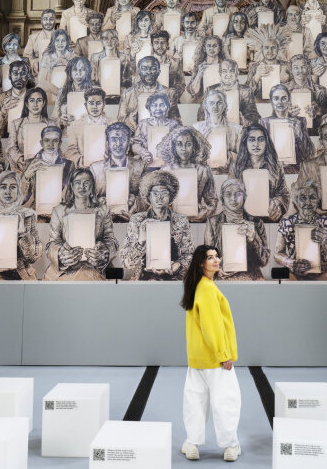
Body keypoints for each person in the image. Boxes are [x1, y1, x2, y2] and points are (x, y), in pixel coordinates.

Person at [180, 245, 241, 462]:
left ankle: (192, 443)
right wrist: (223, 354)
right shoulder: (207, 288)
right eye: (210, 257)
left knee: (195, 401)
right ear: (200, 263)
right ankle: (231, 445)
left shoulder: (197, 286)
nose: (216, 260)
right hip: (215, 359)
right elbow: (212, 326)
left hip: (197, 358)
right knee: (226, 400)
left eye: (216, 256)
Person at [43, 167, 117, 280]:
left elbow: (111, 240)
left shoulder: (103, 210)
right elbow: (52, 244)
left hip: (97, 266)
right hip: (67, 268)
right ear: (72, 186)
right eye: (78, 183)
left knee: (117, 276)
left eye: (86, 183)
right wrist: (61, 255)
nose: (82, 186)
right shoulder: (59, 211)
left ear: (92, 186)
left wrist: (104, 253)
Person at [119, 170, 193, 281]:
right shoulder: (137, 220)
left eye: (164, 193)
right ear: (148, 195)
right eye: (155, 193)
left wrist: (178, 265)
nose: (159, 197)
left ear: (171, 196)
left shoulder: (180, 220)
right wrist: (141, 241)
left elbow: (189, 254)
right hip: (143, 278)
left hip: (174, 278)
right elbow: (126, 261)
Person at [274, 178, 327, 281]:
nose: (308, 202)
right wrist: (290, 263)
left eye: (312, 197)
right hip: (294, 270)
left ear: (318, 200)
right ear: (296, 201)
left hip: (321, 271)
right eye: (303, 198)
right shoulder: (287, 222)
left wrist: (326, 242)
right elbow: (277, 254)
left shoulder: (326, 223)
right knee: (285, 279)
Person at [204, 178, 269, 281]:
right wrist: (218, 269)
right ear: (222, 198)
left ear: (245, 197)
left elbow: (264, 261)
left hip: (251, 277)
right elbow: (207, 257)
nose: (233, 199)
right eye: (228, 194)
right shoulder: (213, 222)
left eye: (238, 194)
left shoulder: (257, 222)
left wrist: (254, 238)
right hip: (222, 277)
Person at [157, 126, 219, 222]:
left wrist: (202, 215)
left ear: (195, 146)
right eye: (179, 144)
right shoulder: (166, 170)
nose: (184, 149)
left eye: (188, 144)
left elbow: (212, 200)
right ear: (173, 146)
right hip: (171, 221)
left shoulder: (203, 170)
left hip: (196, 220)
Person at [230, 123, 290, 223]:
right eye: (252, 139)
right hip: (244, 220)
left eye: (261, 139)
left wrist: (277, 203)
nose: (256, 144)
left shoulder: (276, 165)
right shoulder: (236, 166)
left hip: (269, 218)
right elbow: (230, 193)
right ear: (245, 142)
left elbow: (284, 194)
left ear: (267, 142)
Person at [90, 121, 148, 222]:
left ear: (129, 142)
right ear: (107, 143)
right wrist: (98, 203)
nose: (118, 144)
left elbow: (148, 198)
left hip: (131, 219)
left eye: (122, 139)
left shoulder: (140, 166)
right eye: (114, 139)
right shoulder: (95, 169)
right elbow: (87, 198)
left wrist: (136, 203)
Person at [258, 84, 316, 174]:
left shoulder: (299, 121)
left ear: (289, 100)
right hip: (272, 170)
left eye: (284, 98)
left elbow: (310, 153)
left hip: (295, 170)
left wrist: (299, 133)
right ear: (271, 102)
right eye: (276, 98)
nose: (280, 102)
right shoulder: (264, 123)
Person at [21, 126, 74, 219]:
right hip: (35, 215)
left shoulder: (69, 165)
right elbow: (21, 196)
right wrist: (26, 177)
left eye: (55, 140)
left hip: (59, 214)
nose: (51, 144)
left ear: (60, 143)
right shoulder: (29, 163)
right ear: (41, 143)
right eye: (47, 140)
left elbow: (71, 194)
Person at [118, 56, 181, 131]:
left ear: (159, 72)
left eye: (153, 68)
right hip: (135, 135)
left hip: (160, 134)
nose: (149, 72)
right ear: (139, 72)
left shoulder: (169, 93)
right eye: (144, 68)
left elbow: (177, 122)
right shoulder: (128, 93)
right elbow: (120, 121)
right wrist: (129, 119)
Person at [5, 87, 57, 174]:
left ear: (44, 103)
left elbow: (55, 147)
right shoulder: (16, 124)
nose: (35, 104)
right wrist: (19, 159)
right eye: (32, 100)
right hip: (22, 167)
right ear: (26, 103)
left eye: (39, 100)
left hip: (45, 166)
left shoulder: (51, 124)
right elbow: (11, 147)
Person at [193, 89, 243, 174]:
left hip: (228, 173)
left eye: (219, 103)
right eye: (211, 103)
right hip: (204, 174)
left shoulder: (236, 129)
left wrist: (230, 156)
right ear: (206, 106)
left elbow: (242, 156)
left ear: (224, 106)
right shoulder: (197, 128)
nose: (215, 107)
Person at [285, 54, 327, 135]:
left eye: (303, 67)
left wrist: (318, 111)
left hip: (314, 133)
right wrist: (286, 112)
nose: (300, 71)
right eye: (296, 67)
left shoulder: (320, 90)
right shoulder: (283, 90)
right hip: (289, 132)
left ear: (308, 68)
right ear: (291, 70)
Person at [64, 87, 111, 167]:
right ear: (85, 105)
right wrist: (80, 160)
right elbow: (70, 151)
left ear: (104, 104)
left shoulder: (113, 124)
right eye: (91, 103)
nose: (94, 107)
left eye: (98, 103)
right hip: (85, 168)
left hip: (106, 166)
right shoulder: (75, 125)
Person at [130, 93, 181, 166]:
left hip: (169, 164)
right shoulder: (143, 124)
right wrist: (143, 152)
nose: (158, 108)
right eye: (154, 105)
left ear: (167, 107)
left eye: (162, 105)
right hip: (147, 163)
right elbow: (135, 145)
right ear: (149, 108)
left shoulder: (174, 125)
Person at [207, 59, 260, 125]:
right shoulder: (211, 90)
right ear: (220, 73)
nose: (228, 75)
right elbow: (202, 114)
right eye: (224, 71)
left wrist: (244, 121)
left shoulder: (246, 91)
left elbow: (254, 117)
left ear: (237, 73)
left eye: (231, 71)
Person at [245, 26, 292, 100]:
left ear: (278, 49)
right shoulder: (254, 66)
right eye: (266, 48)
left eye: (273, 48)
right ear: (261, 49)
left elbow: (295, 89)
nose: (270, 51)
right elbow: (246, 93)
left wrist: (287, 82)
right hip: (261, 105)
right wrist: (256, 77)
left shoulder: (287, 65)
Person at [0, 60, 31, 137]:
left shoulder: (33, 96)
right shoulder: (0, 97)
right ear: (9, 76)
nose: (19, 77)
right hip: (6, 139)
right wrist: (3, 111)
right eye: (15, 73)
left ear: (28, 76)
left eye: (23, 73)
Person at [52, 56, 94, 129]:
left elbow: (102, 117)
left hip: (88, 130)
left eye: (82, 69)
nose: (78, 73)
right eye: (75, 70)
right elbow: (54, 117)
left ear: (87, 72)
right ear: (70, 72)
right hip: (67, 131)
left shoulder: (94, 91)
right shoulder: (62, 91)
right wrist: (61, 120)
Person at [90, 29, 132, 96]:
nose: (109, 42)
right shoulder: (95, 57)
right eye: (106, 39)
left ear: (116, 41)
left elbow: (127, 80)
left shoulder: (124, 58)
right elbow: (92, 79)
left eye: (112, 39)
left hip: (119, 93)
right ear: (102, 41)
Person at [0, 33, 30, 100]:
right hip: (4, 98)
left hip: (21, 97)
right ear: (4, 46)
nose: (12, 47)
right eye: (9, 44)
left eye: (15, 44)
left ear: (18, 46)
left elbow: (31, 82)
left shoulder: (25, 61)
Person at [37, 29, 76, 100]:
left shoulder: (72, 55)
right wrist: (59, 93)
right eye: (57, 40)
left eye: (63, 41)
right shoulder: (47, 56)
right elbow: (41, 80)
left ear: (67, 42)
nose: (60, 44)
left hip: (68, 90)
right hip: (52, 91)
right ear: (53, 42)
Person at [187, 35, 227, 101]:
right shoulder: (199, 66)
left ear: (219, 48)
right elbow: (193, 91)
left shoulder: (225, 65)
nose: (211, 49)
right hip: (203, 101)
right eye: (209, 46)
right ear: (204, 49)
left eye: (215, 46)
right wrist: (199, 74)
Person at [147, 30, 185, 98]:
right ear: (151, 45)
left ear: (167, 44)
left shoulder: (176, 63)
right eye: (156, 43)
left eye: (163, 43)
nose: (160, 46)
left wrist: (173, 93)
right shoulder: (144, 63)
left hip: (170, 100)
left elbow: (181, 84)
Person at [23, 8, 56, 75]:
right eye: (45, 19)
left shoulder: (61, 37)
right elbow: (26, 56)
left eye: (51, 19)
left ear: (55, 21)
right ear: (41, 21)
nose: (48, 22)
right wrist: (34, 62)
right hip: (38, 71)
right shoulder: (33, 37)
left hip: (56, 70)